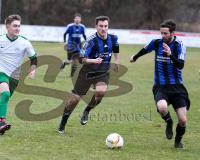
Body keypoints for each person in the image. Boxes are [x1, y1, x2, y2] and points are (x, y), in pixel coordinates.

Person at [130, 19, 190, 149]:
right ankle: (168, 122)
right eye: (161, 33)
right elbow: (145, 49)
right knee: (162, 107)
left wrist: (170, 55)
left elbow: (181, 65)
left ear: (173, 33)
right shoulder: (156, 43)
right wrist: (135, 57)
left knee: (183, 120)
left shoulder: (180, 45)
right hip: (160, 86)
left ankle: (178, 141)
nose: (162, 36)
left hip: (177, 87)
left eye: (165, 33)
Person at [58, 16, 120, 134]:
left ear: (108, 26)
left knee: (100, 92)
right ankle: (63, 121)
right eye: (101, 26)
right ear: (96, 26)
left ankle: (87, 110)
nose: (103, 28)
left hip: (103, 72)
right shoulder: (90, 41)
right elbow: (82, 59)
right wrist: (94, 60)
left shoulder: (113, 38)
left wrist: (117, 60)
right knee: (74, 100)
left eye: (105, 26)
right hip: (87, 72)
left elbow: (116, 48)